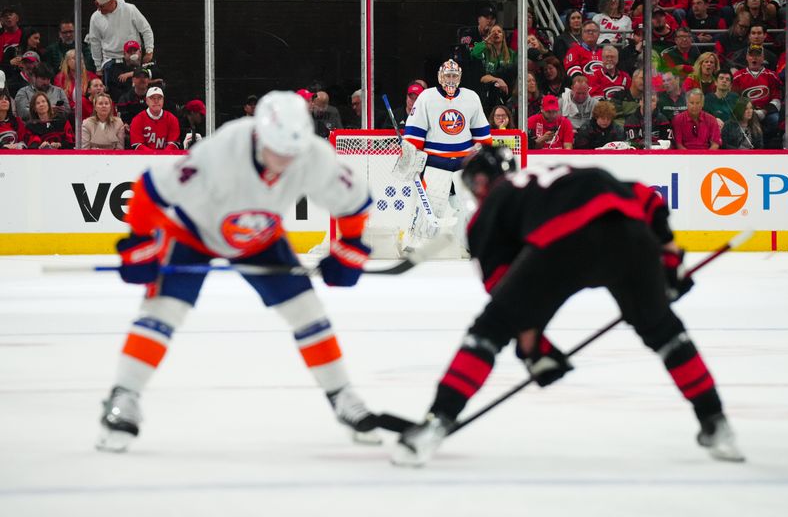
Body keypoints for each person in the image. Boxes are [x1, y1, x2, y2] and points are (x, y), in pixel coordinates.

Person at [391, 145, 745, 467]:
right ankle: (717, 424)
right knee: (666, 332)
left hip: (561, 242)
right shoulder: (562, 172)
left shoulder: (492, 207)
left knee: (487, 332)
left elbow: (504, 296)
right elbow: (646, 198)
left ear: (480, 182)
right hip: (627, 234)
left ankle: (435, 425)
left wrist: (534, 348)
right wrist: (669, 260)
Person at [95, 91, 382, 452]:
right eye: (277, 151)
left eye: (291, 154)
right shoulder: (222, 149)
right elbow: (152, 188)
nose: (284, 162)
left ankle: (343, 396)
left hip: (259, 236)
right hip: (192, 231)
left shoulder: (311, 155)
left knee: (307, 312)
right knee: (163, 312)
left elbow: (355, 203)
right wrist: (138, 244)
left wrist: (349, 251)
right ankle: (124, 398)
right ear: (260, 136)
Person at [394, 59, 491, 252]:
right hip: (436, 163)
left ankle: (472, 246)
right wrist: (410, 159)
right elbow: (414, 133)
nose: (451, 80)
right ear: (440, 77)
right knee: (430, 206)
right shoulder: (426, 98)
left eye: (455, 76)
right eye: (447, 76)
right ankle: (415, 246)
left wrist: (483, 158)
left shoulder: (471, 97)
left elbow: (481, 134)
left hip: (464, 164)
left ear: (460, 77)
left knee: (468, 207)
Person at [86, 0, 155, 88]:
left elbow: (146, 29)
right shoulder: (95, 17)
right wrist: (98, 67)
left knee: (137, 88)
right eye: (97, 6)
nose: (99, 10)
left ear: (111, 1)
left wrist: (149, 51)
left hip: (133, 58)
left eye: (102, 6)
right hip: (110, 60)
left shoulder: (130, 9)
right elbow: (95, 42)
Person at [471, 24, 518, 108]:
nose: (496, 33)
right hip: (489, 88)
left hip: (508, 89)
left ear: (503, 36)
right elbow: (474, 53)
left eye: (499, 32)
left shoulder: (511, 53)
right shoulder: (485, 51)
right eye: (493, 32)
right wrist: (486, 40)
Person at [129, 86, 180, 151]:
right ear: (147, 101)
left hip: (166, 158)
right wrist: (153, 155)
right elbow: (137, 145)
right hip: (144, 159)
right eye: (152, 98)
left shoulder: (172, 119)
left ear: (163, 100)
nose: (156, 101)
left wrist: (162, 156)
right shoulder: (137, 120)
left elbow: (173, 143)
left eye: (159, 98)